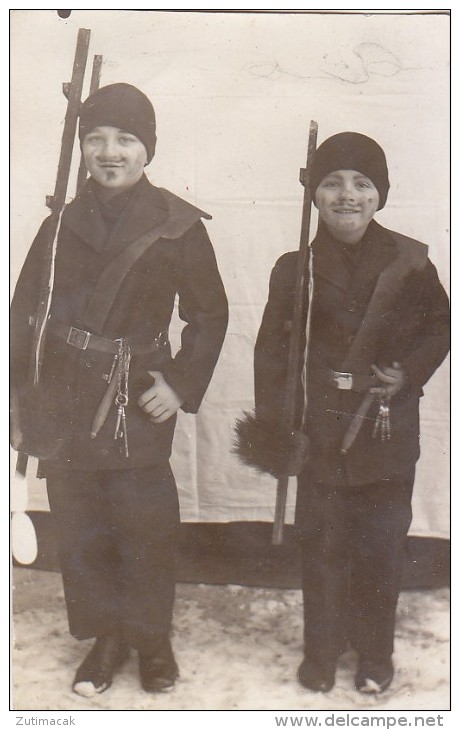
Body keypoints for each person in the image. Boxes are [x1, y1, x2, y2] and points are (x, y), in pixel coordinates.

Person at [10, 83, 228, 696]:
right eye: (96, 138)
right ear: (81, 147)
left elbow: (209, 315)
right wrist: (22, 398)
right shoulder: (60, 223)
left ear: (147, 150)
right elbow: (25, 310)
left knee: (144, 525)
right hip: (66, 395)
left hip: (138, 396)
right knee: (81, 521)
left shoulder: (177, 225)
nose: (111, 152)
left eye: (126, 140)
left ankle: (151, 639)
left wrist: (181, 385)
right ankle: (105, 638)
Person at [252, 132, 449, 694]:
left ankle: (374, 653)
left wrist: (407, 372)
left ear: (379, 195)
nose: (347, 195)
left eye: (362, 184)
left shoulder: (410, 262)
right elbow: (271, 351)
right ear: (313, 194)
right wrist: (277, 427)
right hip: (319, 429)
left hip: (386, 426)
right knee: (322, 543)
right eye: (332, 182)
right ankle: (322, 647)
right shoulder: (295, 267)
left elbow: (441, 326)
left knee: (381, 545)